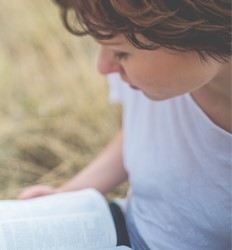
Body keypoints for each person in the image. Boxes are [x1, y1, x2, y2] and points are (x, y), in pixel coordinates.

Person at [17, 1, 231, 249]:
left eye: (120, 52)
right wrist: (69, 193)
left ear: (201, 30)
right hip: (127, 228)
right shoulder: (146, 78)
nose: (103, 67)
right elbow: (142, 133)